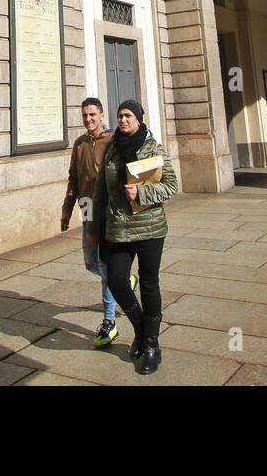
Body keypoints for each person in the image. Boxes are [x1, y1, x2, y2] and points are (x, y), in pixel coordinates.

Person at [89, 99, 177, 375]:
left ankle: (151, 345)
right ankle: (140, 328)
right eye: (120, 116)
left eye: (128, 116)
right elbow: (101, 189)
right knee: (116, 280)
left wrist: (143, 194)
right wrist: (94, 225)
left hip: (150, 229)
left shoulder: (153, 148)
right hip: (118, 228)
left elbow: (171, 185)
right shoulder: (112, 149)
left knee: (149, 284)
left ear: (139, 118)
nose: (123, 120)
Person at [61, 97, 133, 348]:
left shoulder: (114, 141)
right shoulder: (80, 143)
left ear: (102, 115)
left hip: (108, 213)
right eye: (84, 116)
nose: (88, 119)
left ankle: (109, 322)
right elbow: (73, 178)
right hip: (88, 211)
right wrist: (67, 210)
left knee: (104, 267)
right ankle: (124, 280)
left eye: (92, 115)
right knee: (91, 263)